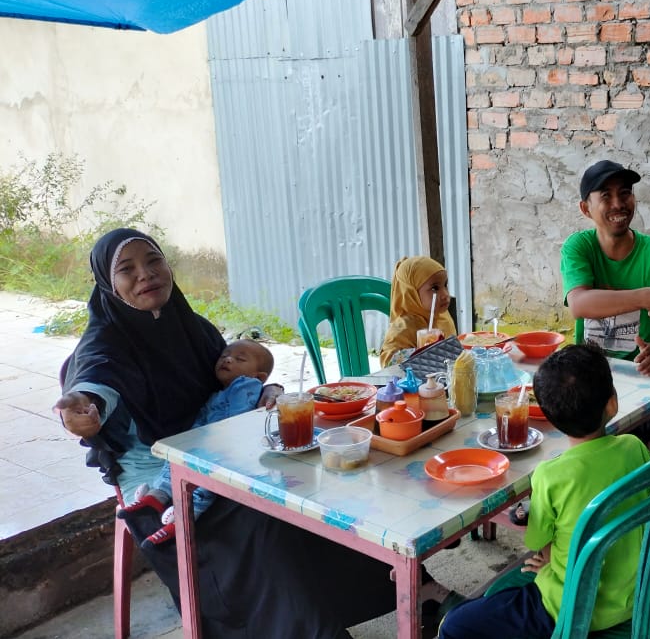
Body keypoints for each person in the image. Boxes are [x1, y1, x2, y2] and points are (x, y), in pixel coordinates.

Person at [54, 228, 451, 638]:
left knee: (330, 481)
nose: (146, 274)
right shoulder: (105, 346)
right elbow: (92, 386)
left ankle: (414, 594)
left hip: (224, 456)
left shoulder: (190, 326)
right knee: (267, 521)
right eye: (127, 269)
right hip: (165, 490)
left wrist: (266, 390)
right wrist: (81, 407)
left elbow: (229, 379)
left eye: (154, 260)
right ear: (108, 283)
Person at [437, 344, 650, 639]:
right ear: (612, 404)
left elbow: (538, 543)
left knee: (454, 624)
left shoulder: (550, 476)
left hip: (568, 608)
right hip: (633, 597)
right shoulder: (634, 447)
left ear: (550, 418)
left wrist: (550, 562)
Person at [559, 159, 650, 449]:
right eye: (606, 196)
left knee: (630, 449)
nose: (618, 204)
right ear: (586, 208)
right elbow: (579, 303)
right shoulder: (579, 247)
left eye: (625, 193)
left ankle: (644, 462)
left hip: (644, 384)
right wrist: (648, 297)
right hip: (590, 382)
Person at [117, 339, 274, 547]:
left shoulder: (246, 385)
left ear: (259, 377)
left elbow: (239, 418)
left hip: (226, 448)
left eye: (240, 359)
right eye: (225, 355)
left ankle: (182, 515)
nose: (228, 359)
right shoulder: (221, 391)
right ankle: (158, 497)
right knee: (175, 464)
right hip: (205, 443)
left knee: (205, 484)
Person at [379, 256, 457, 367]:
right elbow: (387, 363)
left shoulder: (443, 317)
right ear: (411, 293)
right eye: (435, 288)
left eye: (445, 285)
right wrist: (419, 353)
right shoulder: (403, 328)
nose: (445, 294)